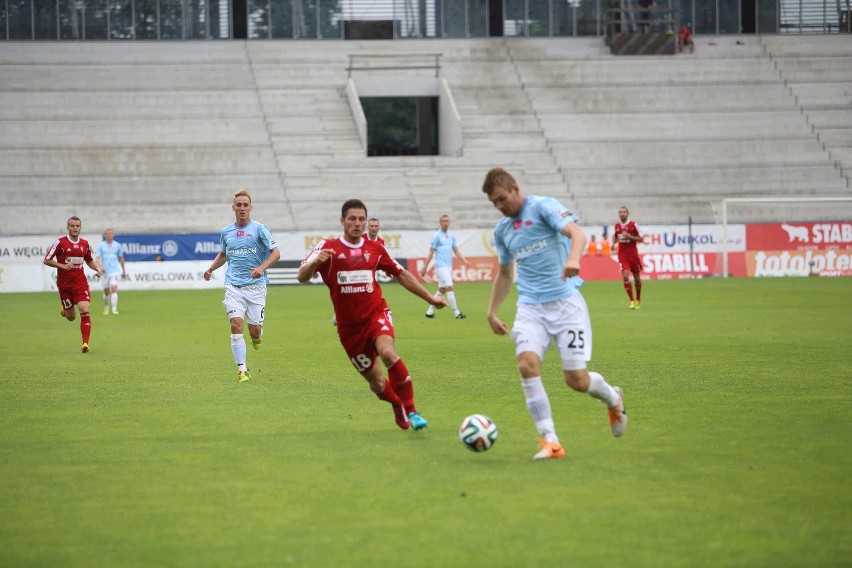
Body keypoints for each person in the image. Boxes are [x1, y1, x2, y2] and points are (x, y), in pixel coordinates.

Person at [481, 167, 627, 460]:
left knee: (577, 381)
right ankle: (551, 441)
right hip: (530, 308)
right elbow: (506, 273)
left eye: (501, 199)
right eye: (493, 203)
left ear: (515, 189)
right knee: (526, 365)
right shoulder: (503, 231)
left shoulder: (543, 207)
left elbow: (577, 234)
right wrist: (492, 311)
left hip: (565, 305)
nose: (499, 207)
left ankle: (613, 398)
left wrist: (573, 259)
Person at [298, 199, 447, 431]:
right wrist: (315, 262)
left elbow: (401, 274)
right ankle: (397, 404)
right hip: (349, 330)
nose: (357, 224)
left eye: (361, 220)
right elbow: (302, 275)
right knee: (377, 383)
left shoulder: (375, 249)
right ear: (342, 221)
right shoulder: (327, 247)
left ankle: (412, 410)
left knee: (388, 352)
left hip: (376, 314)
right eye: (352, 219)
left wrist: (431, 298)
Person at [203, 189, 281, 383]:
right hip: (233, 286)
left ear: (251, 208)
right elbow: (223, 254)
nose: (242, 208)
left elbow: (276, 253)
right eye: (239, 205)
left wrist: (261, 268)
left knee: (254, 331)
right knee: (235, 325)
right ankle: (242, 369)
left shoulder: (260, 229)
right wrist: (211, 268)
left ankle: (256, 338)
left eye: (246, 205)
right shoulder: (226, 231)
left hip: (256, 287)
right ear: (233, 207)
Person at [43, 216, 105, 353]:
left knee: (84, 308)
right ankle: (65, 309)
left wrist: (97, 268)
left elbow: (89, 260)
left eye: (77, 226)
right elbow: (47, 260)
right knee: (71, 317)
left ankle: (85, 344)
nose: (75, 228)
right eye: (72, 226)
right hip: (64, 284)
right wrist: (62, 266)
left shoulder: (85, 244)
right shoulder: (60, 243)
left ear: (80, 228)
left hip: (80, 282)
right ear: (68, 227)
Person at [419, 214, 469, 319]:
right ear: (440, 222)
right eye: (443, 221)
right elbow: (431, 252)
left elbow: (456, 249)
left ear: (449, 222)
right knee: (450, 287)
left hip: (448, 266)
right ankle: (457, 313)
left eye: (447, 221)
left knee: (442, 289)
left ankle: (429, 312)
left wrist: (463, 260)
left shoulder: (451, 235)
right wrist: (425, 267)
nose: (445, 223)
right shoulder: (437, 235)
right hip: (441, 267)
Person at [612, 206, 644, 309]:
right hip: (622, 255)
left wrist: (629, 236)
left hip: (633, 254)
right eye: (620, 212)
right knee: (625, 276)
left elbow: (641, 239)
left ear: (627, 213)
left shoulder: (633, 225)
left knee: (637, 279)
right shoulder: (617, 226)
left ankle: (638, 299)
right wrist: (613, 244)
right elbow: (616, 236)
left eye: (624, 212)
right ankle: (631, 301)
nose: (622, 214)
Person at [95, 228, 127, 315]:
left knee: (114, 288)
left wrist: (123, 271)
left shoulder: (117, 245)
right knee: (106, 291)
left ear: (113, 235)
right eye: (107, 234)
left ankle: (114, 309)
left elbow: (121, 258)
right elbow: (97, 259)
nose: (109, 235)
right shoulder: (101, 246)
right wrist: (101, 267)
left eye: (110, 234)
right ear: (105, 235)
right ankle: (106, 306)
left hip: (115, 271)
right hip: (105, 272)